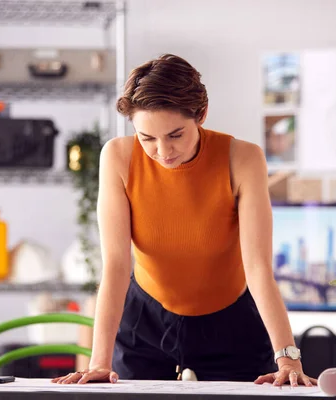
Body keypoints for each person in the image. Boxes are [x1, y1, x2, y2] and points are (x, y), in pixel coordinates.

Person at [52, 54, 317, 387]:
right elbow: (117, 266)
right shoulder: (118, 157)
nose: (163, 152)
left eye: (175, 135)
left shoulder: (243, 159)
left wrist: (289, 359)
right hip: (144, 321)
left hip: (232, 322)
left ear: (200, 115)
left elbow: (258, 267)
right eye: (147, 138)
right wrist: (99, 362)